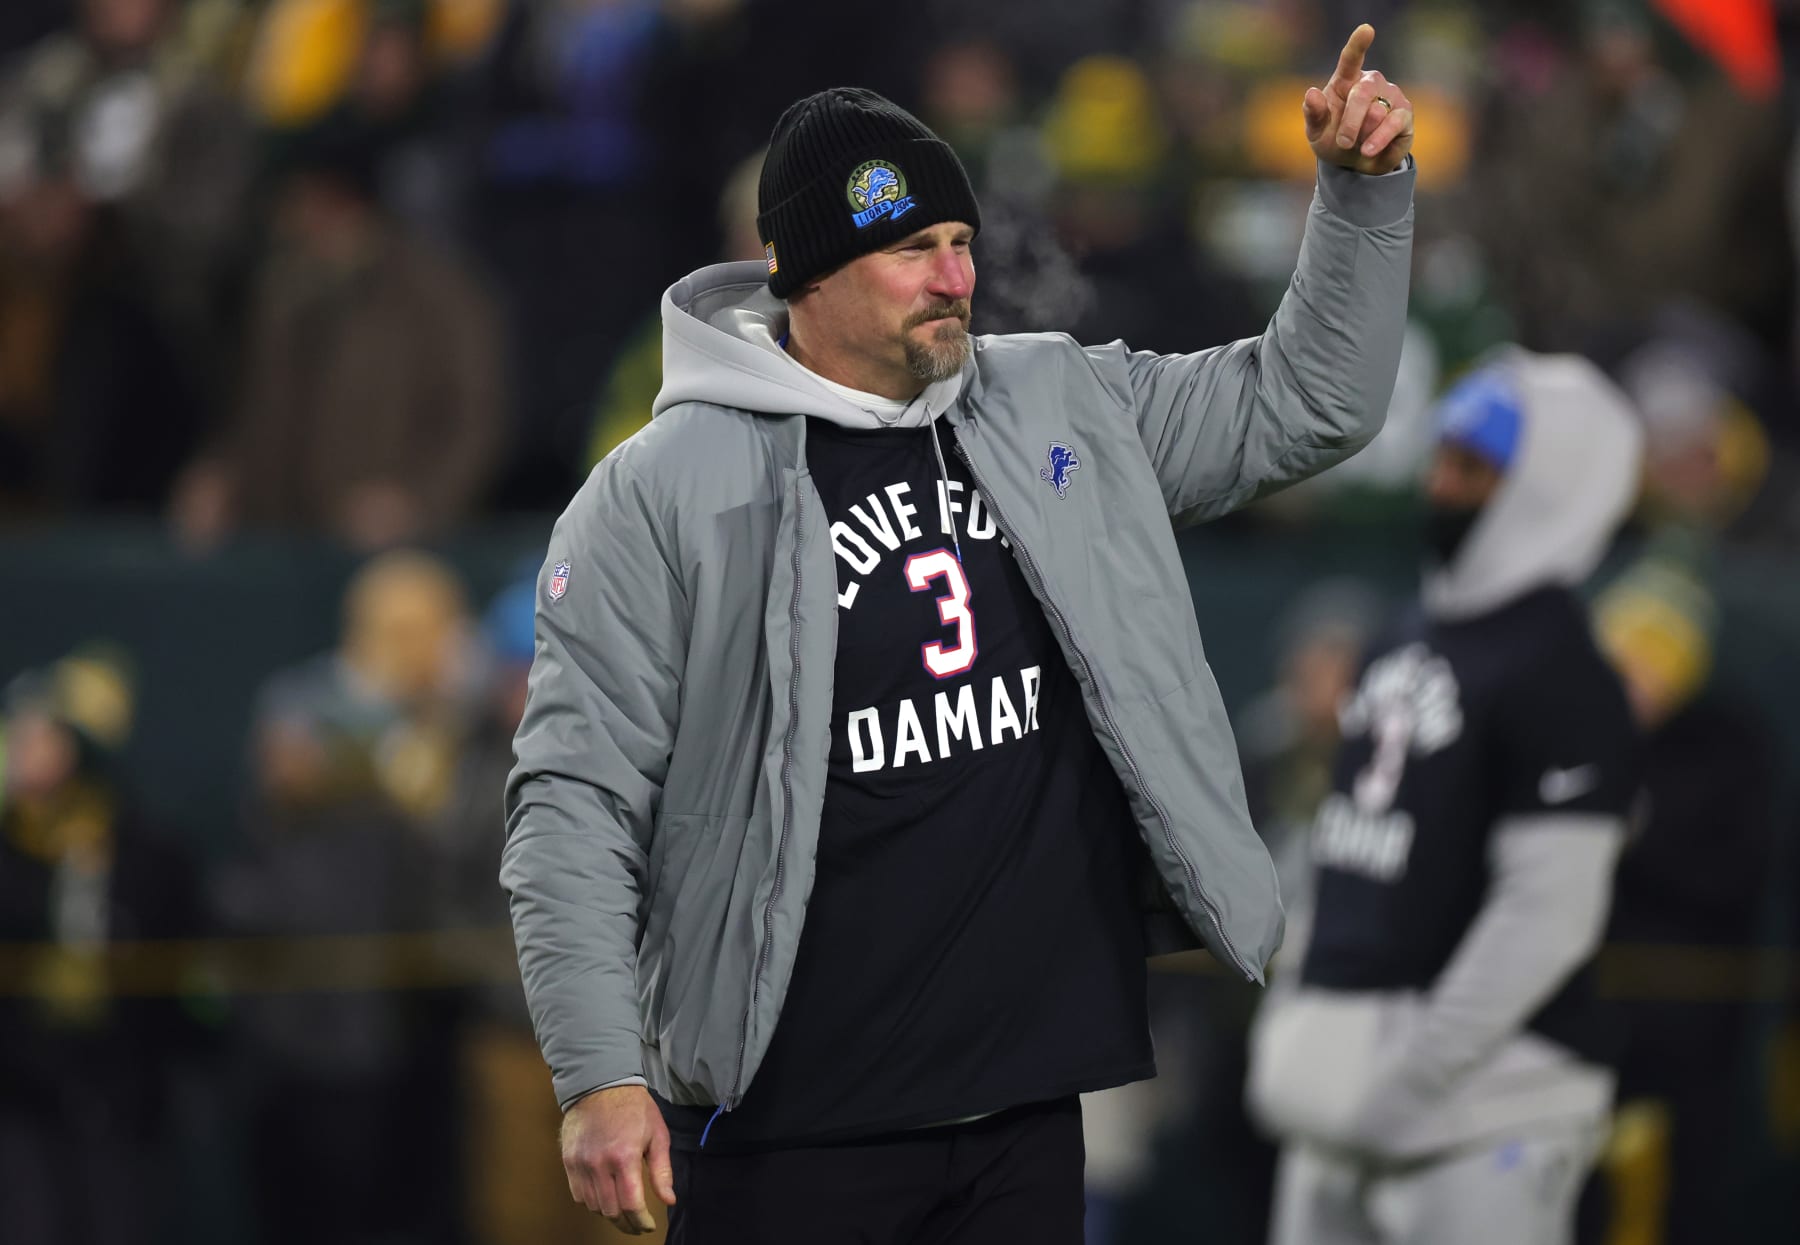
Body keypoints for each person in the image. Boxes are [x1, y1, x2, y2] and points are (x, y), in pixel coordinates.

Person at [506, 24, 1417, 1242]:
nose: (955, 278)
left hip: (1021, 1109)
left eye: (959, 244)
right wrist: (600, 1074)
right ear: (806, 275)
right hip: (791, 1125)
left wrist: (1359, 199)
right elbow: (572, 799)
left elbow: (1309, 402)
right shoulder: (657, 491)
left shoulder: (1058, 400)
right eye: (910, 252)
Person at [1245, 348, 1645, 1245]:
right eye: (1442, 457)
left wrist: (1404, 1079)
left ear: (1543, 486)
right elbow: (1342, 851)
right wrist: (1301, 1027)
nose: (1441, 483)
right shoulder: (1401, 637)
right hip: (1345, 1106)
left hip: (1487, 1114)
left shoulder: (1565, 672)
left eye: (1471, 467)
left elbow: (1548, 914)